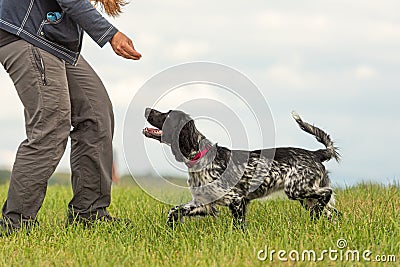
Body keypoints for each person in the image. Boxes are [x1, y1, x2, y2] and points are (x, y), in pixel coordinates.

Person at [0, 0, 141, 236]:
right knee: (51, 124)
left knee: (96, 114)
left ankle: (89, 213)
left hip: (54, 42)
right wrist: (110, 34)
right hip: (26, 33)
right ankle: (15, 224)